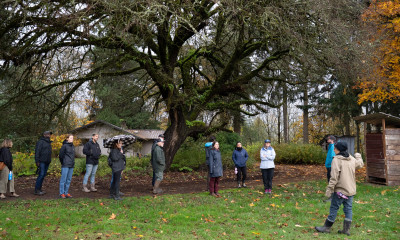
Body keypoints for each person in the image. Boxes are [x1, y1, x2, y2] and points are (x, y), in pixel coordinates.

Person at [315, 142, 364, 236]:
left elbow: (334, 177)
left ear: (339, 149)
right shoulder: (351, 158)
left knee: (334, 208)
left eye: (335, 148)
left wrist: (329, 189)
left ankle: (326, 227)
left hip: (340, 190)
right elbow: (360, 164)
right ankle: (346, 230)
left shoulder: (337, 160)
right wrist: (358, 156)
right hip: (350, 190)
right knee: (348, 209)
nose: (334, 149)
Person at [34, 131, 53, 195]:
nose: (49, 135)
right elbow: (37, 151)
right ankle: (37, 190)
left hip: (47, 161)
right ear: (44, 135)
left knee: (43, 175)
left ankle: (39, 189)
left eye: (49, 134)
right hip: (41, 161)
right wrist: (37, 161)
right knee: (41, 175)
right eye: (47, 134)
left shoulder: (49, 143)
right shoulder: (40, 142)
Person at [59, 134, 75, 198]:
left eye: (73, 138)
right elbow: (61, 156)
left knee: (69, 180)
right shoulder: (64, 146)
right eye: (71, 138)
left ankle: (66, 192)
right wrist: (63, 162)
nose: (72, 139)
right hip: (65, 164)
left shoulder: (73, 146)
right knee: (63, 180)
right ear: (67, 139)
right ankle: (61, 193)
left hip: (71, 165)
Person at [324, 135, 336, 202]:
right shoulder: (330, 146)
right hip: (328, 166)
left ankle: (332, 197)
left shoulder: (333, 147)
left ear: (332, 140)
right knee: (330, 180)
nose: (327, 140)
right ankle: (332, 196)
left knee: (331, 181)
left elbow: (333, 156)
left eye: (328, 139)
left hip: (331, 167)